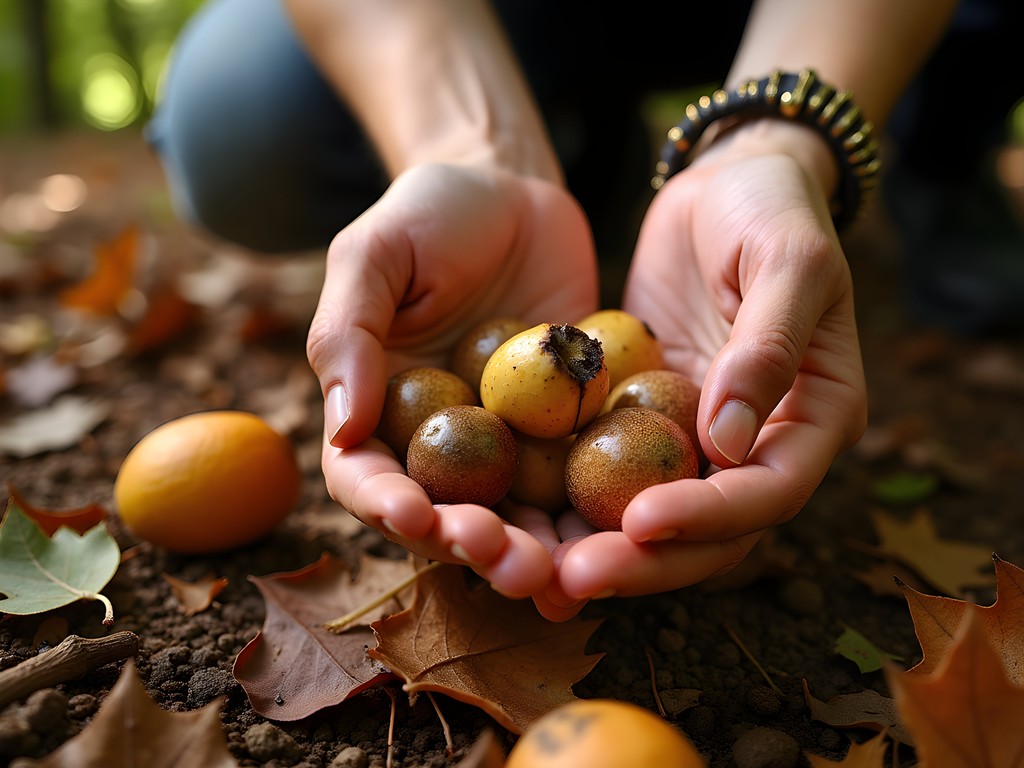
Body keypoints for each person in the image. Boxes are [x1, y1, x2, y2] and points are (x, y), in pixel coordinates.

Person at [148, 0, 959, 621]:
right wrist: (474, 151)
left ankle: (946, 147)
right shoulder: (529, 400)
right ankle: (590, 147)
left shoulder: (590, 403)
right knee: (241, 124)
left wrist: (776, 144)